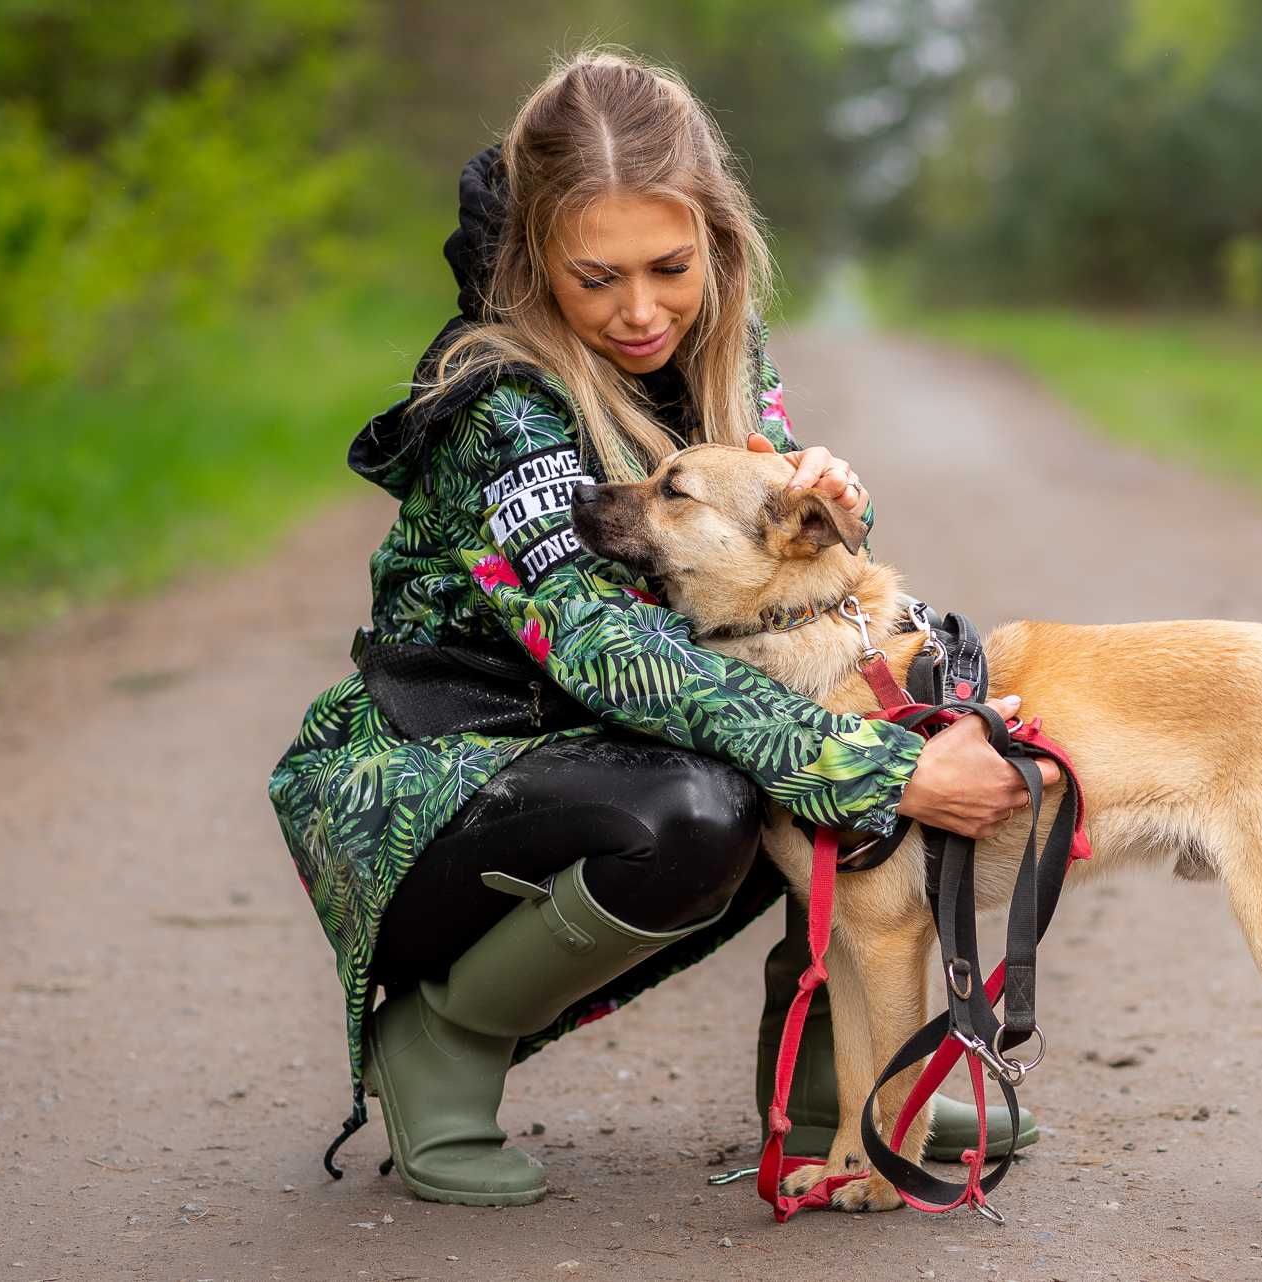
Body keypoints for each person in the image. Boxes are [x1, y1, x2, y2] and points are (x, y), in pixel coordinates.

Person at [267, 48, 1053, 1208]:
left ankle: (856, 1091)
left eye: (670, 267)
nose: (640, 311)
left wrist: (833, 506)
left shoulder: (718, 351)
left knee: (840, 694)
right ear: (536, 260)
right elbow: (618, 657)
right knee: (718, 795)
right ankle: (437, 1042)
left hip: (602, 746)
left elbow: (774, 557)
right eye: (596, 279)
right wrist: (894, 770)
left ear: (718, 243)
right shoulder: (499, 403)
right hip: (436, 779)